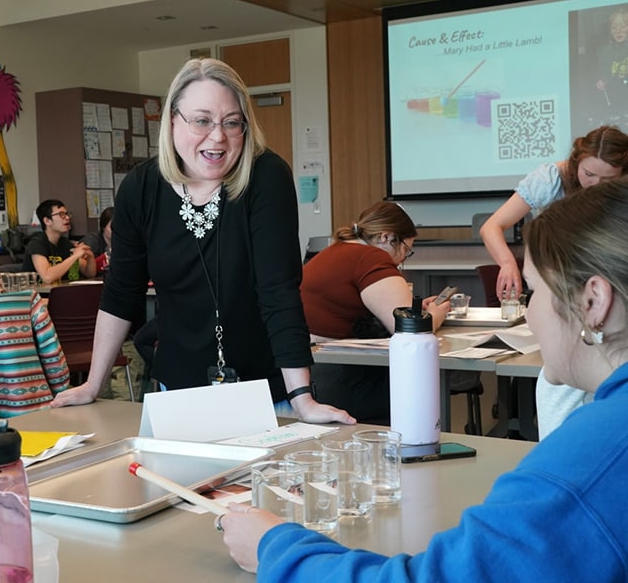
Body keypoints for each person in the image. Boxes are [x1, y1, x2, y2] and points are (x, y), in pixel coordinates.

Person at [219, 177, 628, 580]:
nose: (529, 312)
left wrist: (277, 548)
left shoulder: (593, 459)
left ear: (593, 301)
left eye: (533, 293)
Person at [51, 57, 354, 425]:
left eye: (232, 122)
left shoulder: (265, 177)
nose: (218, 137)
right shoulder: (141, 188)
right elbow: (121, 293)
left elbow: (279, 290)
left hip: (267, 393)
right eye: (202, 120)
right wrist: (92, 385)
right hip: (179, 394)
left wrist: (302, 398)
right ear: (173, 119)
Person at [480, 124, 628, 437]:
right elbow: (493, 226)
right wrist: (508, 263)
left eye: (607, 180)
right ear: (576, 163)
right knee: (559, 383)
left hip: (607, 302)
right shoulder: (550, 180)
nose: (595, 185)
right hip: (570, 292)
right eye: (589, 175)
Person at [299, 201, 450, 422]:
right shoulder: (371, 258)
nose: (400, 261)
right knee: (423, 377)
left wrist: (416, 311)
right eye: (406, 250)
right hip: (338, 378)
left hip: (308, 372)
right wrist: (435, 315)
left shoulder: (335, 250)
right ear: (386, 238)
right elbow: (409, 328)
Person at [22, 199, 97, 283]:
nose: (67, 218)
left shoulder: (65, 243)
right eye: (61, 215)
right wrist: (74, 256)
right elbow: (47, 277)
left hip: (59, 292)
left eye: (67, 214)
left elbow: (90, 273)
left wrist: (90, 256)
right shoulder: (37, 244)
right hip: (38, 294)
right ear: (47, 221)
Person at [82, 206, 113, 274]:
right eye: (112, 226)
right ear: (103, 227)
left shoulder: (124, 241)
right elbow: (88, 267)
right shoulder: (92, 240)